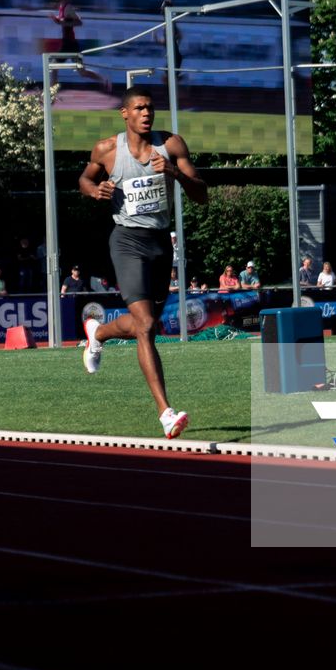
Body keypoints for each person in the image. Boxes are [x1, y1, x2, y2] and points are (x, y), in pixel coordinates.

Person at [77, 87, 207, 440]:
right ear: (125, 113)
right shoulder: (107, 149)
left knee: (145, 325)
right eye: (139, 108)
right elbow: (85, 179)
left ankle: (98, 332)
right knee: (146, 325)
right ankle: (166, 413)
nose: (146, 113)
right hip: (126, 241)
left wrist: (175, 173)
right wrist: (94, 191)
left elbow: (202, 195)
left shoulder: (171, 145)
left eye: (150, 108)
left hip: (160, 243)